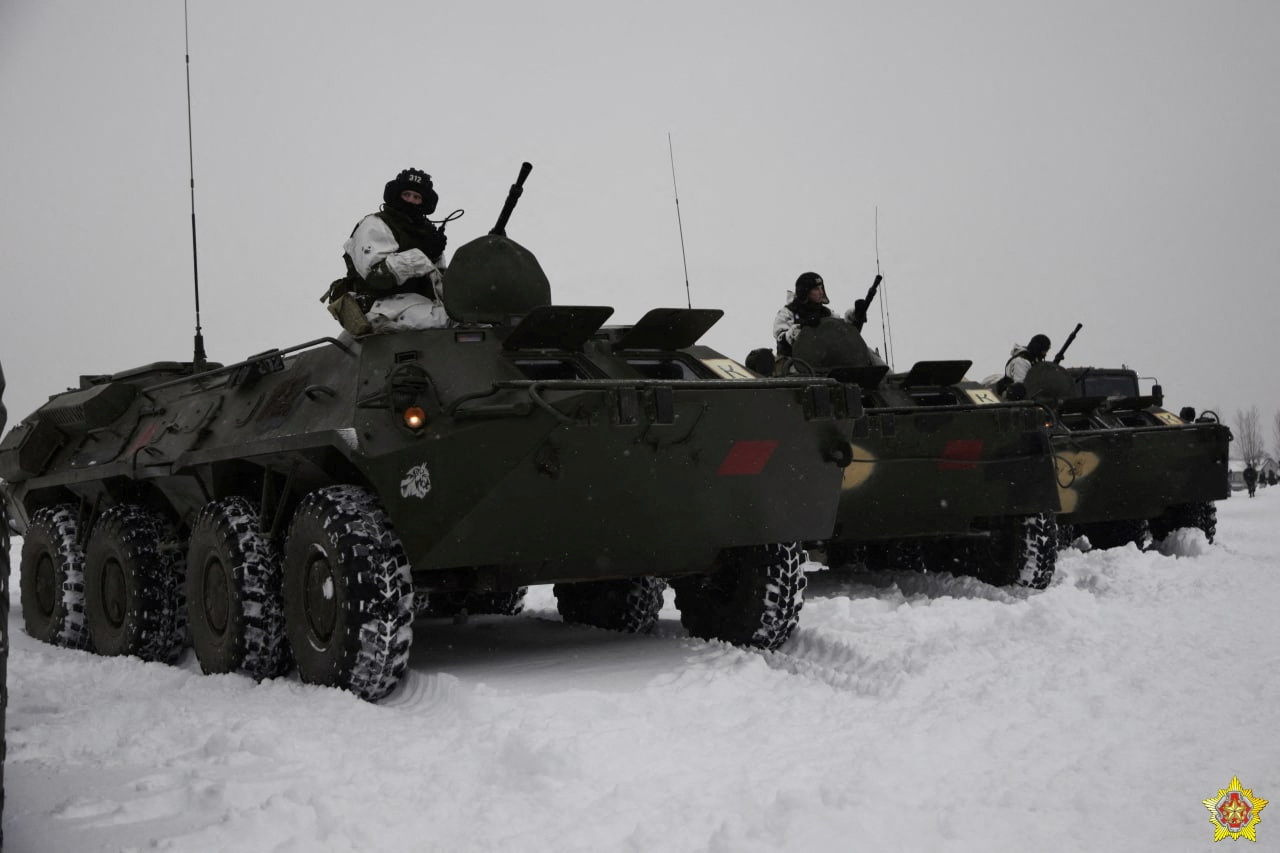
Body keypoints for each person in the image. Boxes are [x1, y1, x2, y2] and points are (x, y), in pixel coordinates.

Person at [328, 168, 451, 333]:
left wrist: (435, 255)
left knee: (473, 319)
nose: (411, 200)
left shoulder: (426, 234)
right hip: (381, 307)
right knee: (451, 322)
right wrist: (422, 254)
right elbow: (378, 276)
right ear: (396, 195)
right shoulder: (375, 224)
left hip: (420, 305)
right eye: (406, 194)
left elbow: (439, 285)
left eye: (417, 197)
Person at [773, 272, 832, 357]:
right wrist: (803, 328)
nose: (821, 292)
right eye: (816, 289)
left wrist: (855, 319)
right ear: (805, 292)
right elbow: (781, 338)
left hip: (824, 364)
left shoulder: (826, 312)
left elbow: (842, 333)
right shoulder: (788, 313)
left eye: (821, 288)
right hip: (793, 364)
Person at [996, 334, 1051, 399]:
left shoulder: (1035, 361)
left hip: (1030, 395)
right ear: (1037, 348)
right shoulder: (1021, 361)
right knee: (1019, 389)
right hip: (1014, 397)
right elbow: (1021, 383)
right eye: (1043, 351)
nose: (1044, 354)